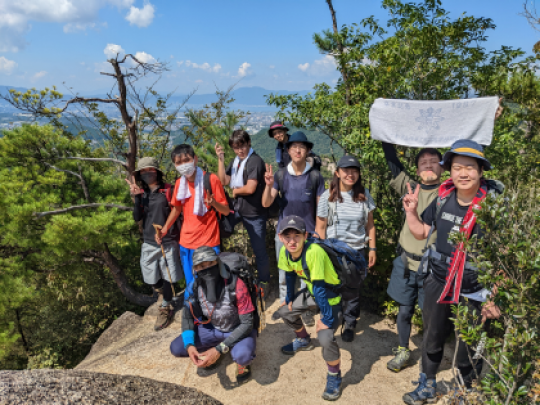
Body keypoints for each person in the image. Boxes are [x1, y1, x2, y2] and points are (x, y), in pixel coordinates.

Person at [401, 140, 502, 405]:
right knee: (432, 336)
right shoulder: (443, 198)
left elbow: (504, 257)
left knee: (468, 344)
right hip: (439, 279)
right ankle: (427, 384)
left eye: (470, 167)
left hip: (475, 287)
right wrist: (411, 213)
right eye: (457, 167)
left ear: (481, 171)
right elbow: (423, 232)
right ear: (450, 171)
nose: (463, 173)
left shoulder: (493, 207)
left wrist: (494, 297)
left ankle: (465, 392)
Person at [381, 142, 443, 372]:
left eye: (433, 162)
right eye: (423, 163)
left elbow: (470, 167)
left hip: (433, 266)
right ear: (417, 170)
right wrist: (385, 133)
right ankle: (403, 350)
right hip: (406, 262)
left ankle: (429, 354)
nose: (428, 166)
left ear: (443, 167)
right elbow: (393, 164)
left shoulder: (448, 192)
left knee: (430, 316)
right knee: (405, 310)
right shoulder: (410, 187)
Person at [276, 215, 344, 401]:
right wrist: (289, 297)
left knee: (325, 337)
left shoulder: (314, 252)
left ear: (305, 235)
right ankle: (304, 340)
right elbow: (289, 274)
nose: (292, 241)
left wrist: (326, 319)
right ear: (280, 238)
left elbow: (321, 289)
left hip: (331, 298)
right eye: (287, 236)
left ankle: (334, 376)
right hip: (314, 294)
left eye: (296, 235)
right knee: (284, 311)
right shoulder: (285, 252)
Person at [262, 131, 325, 325]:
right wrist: (269, 185)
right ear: (288, 151)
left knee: (308, 275)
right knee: (285, 272)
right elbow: (266, 202)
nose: (298, 150)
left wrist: (320, 233)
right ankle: (285, 304)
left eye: (302, 147)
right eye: (294, 147)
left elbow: (321, 207)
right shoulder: (281, 175)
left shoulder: (315, 177)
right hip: (285, 233)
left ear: (307, 151)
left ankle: (306, 307)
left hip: (308, 234)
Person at [170, 246, 256, 385]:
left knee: (243, 355)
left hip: (237, 327)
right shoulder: (193, 288)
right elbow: (187, 317)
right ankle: (217, 348)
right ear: (195, 269)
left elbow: (247, 323)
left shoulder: (236, 284)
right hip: (212, 328)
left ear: (218, 263)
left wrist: (219, 350)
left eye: (210, 263)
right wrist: (190, 346)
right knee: (177, 348)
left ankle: (235, 358)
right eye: (201, 266)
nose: (207, 269)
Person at [315, 155, 376, 343]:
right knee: (333, 287)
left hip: (356, 251)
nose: (350, 174)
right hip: (333, 251)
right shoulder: (328, 196)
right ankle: (333, 317)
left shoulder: (364, 195)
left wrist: (372, 248)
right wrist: (322, 251)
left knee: (353, 290)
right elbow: (321, 227)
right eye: (346, 170)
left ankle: (349, 323)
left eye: (354, 170)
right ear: (337, 173)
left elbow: (370, 225)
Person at [156, 144, 230, 290]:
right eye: (178, 163)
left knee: (211, 284)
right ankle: (194, 311)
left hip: (208, 241)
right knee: (191, 284)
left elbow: (226, 211)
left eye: (186, 160)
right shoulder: (179, 183)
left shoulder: (211, 179)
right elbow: (177, 209)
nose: (183, 165)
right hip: (185, 243)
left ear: (195, 159)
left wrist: (213, 202)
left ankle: (213, 312)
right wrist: (164, 229)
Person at [127, 157, 183, 331]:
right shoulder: (143, 194)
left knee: (168, 275)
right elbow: (137, 217)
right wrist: (137, 198)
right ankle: (162, 294)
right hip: (149, 241)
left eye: (149, 170)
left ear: (157, 171)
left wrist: (167, 230)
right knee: (150, 275)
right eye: (143, 171)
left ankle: (166, 305)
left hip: (168, 240)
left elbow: (177, 210)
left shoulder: (168, 190)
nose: (146, 174)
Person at [215, 130, 270, 290]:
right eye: (236, 147)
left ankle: (265, 281)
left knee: (259, 250)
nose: (240, 150)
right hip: (238, 209)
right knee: (219, 231)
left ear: (249, 143)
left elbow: (251, 188)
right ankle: (221, 272)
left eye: (243, 146)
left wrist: (236, 191)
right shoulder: (236, 162)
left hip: (254, 213)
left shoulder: (255, 161)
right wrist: (220, 159)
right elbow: (223, 180)